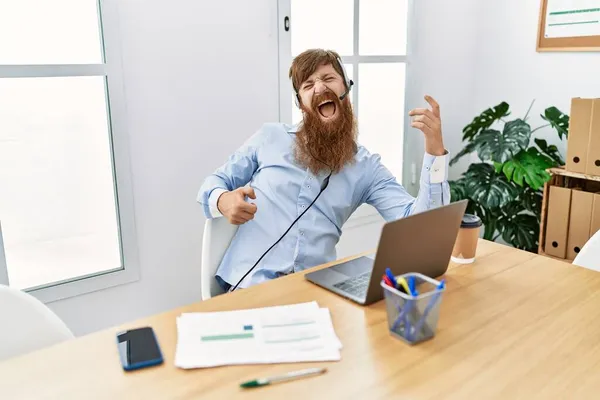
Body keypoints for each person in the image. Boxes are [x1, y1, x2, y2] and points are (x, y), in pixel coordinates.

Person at [197, 49, 450, 292]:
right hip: (248, 287)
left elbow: (421, 225)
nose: (319, 88)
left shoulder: (366, 167)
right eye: (308, 85)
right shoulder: (269, 138)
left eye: (329, 78)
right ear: (300, 103)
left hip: (316, 291)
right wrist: (223, 200)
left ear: (346, 90)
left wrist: (435, 153)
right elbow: (214, 182)